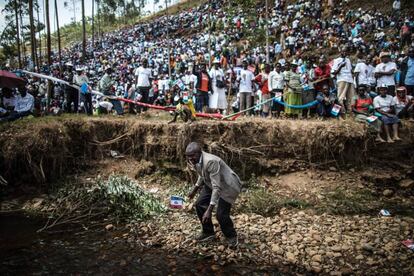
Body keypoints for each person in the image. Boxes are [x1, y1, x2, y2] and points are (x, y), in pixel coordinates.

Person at [186, 142, 242, 247]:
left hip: (228, 186)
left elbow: (217, 187)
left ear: (199, 153)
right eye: (188, 156)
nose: (190, 159)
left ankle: (232, 236)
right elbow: (202, 174)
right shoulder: (196, 160)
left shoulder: (211, 161)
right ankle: (208, 233)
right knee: (199, 204)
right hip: (212, 182)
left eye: (192, 155)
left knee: (221, 214)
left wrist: (209, 210)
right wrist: (195, 189)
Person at [331, 47, 355, 116]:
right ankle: (342, 112)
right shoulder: (337, 60)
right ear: (340, 52)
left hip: (350, 80)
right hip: (342, 79)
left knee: (351, 97)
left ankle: (349, 111)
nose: (344, 53)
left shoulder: (348, 60)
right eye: (343, 51)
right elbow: (333, 72)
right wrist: (340, 66)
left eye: (346, 51)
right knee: (341, 97)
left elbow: (350, 71)